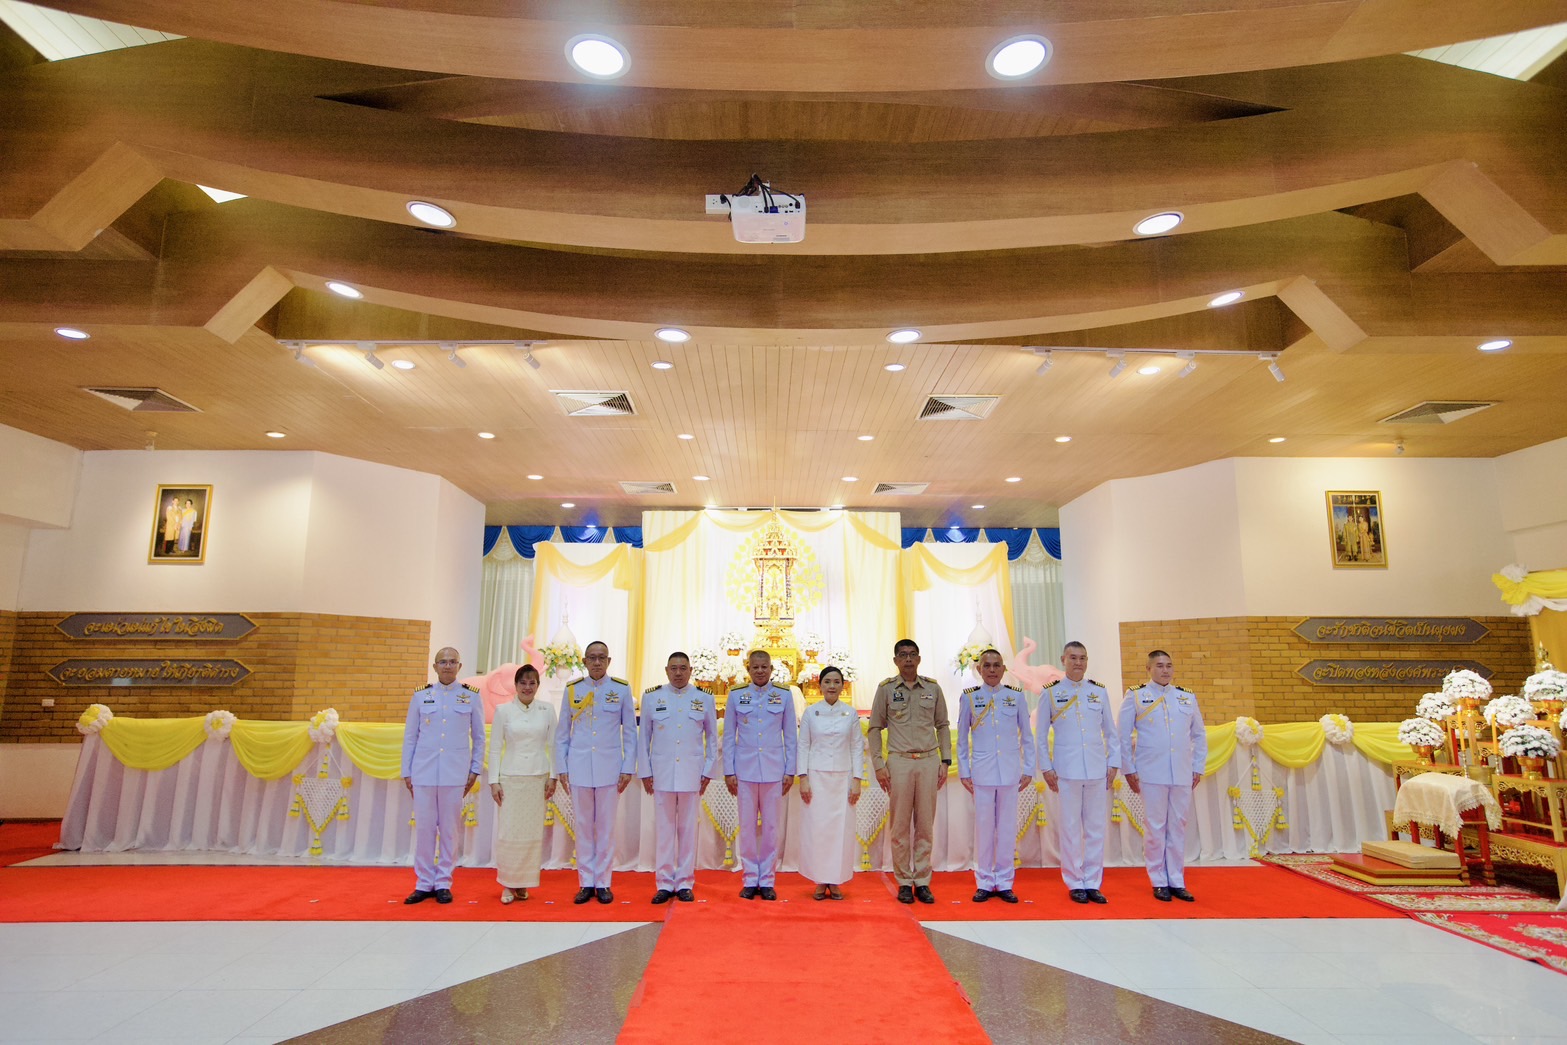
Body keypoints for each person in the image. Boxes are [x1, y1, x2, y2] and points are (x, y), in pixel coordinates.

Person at [1119, 649, 1207, 902]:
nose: (1165, 670)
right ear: (1148, 669)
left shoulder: (1186, 697)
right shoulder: (1136, 695)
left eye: (1169, 665)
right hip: (1151, 771)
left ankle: (1177, 880)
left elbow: (1199, 735)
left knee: (1178, 826)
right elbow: (1122, 735)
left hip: (1181, 771)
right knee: (1156, 827)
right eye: (1159, 666)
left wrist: (1197, 766)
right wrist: (1129, 768)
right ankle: (1158, 880)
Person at [867, 638, 950, 905]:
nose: (908, 660)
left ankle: (922, 880)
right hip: (899, 762)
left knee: (925, 825)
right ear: (895, 660)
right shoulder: (886, 689)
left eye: (913, 654)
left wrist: (945, 761)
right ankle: (904, 880)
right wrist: (879, 764)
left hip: (928, 761)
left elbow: (943, 725)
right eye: (903, 655)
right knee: (900, 825)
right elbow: (874, 728)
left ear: (919, 658)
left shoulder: (933, 688)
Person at [401, 647, 486, 904]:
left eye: (452, 662)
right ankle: (424, 882)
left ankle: (443, 882)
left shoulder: (471, 696)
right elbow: (410, 736)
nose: (447, 666)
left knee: (449, 830)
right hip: (424, 772)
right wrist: (407, 771)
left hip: (454, 772)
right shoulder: (421, 696)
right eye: (442, 662)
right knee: (425, 829)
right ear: (435, 666)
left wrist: (475, 769)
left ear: (460, 666)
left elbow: (479, 737)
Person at [1036, 641, 1119, 904]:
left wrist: (1113, 763)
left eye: (1082, 658)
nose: (1078, 662)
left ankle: (1093, 882)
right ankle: (1074, 881)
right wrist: (1046, 767)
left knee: (1095, 829)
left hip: (1096, 768)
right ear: (1063, 660)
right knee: (1070, 829)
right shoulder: (1051, 693)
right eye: (1073, 657)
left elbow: (1111, 732)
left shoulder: (1098, 692)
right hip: (1067, 770)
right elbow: (1041, 735)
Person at [554, 640, 636, 904]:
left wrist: (627, 767)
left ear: (609, 661)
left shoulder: (621, 689)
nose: (597, 662)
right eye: (592, 657)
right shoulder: (572, 689)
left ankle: (603, 882)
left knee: (606, 828)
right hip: (579, 768)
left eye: (602, 657)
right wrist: (562, 767)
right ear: (585, 661)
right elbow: (562, 734)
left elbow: (630, 733)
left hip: (609, 769)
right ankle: (586, 882)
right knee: (583, 827)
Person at [638, 651, 718, 904]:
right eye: (673, 668)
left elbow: (712, 738)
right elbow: (644, 738)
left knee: (687, 830)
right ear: (666, 670)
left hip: (692, 774)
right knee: (664, 830)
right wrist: (645, 771)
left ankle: (684, 882)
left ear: (691, 671)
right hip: (661, 773)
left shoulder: (703, 698)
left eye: (683, 668)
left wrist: (708, 770)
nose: (678, 673)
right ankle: (664, 883)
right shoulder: (652, 697)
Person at [956, 648, 1034, 903]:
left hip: (1010, 772)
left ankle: (1005, 881)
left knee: (1007, 829)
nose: (992, 670)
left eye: (996, 665)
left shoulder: (1016, 697)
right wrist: (965, 771)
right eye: (987, 665)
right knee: (984, 829)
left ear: (1003, 669)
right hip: (982, 773)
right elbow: (962, 739)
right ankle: (984, 881)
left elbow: (1027, 736)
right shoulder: (969, 698)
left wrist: (1028, 768)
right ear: (979, 669)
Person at [723, 649, 797, 900]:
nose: (760, 671)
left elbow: (791, 736)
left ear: (771, 669)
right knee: (746, 827)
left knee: (771, 828)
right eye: (755, 667)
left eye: (764, 667)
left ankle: (766, 879)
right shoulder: (736, 695)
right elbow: (729, 736)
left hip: (774, 771)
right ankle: (749, 878)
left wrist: (790, 770)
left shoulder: (784, 695)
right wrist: (729, 770)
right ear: (748, 669)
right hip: (744, 771)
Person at [797, 665, 867, 900]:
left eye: (836, 682)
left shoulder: (850, 713)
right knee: (818, 830)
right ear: (820, 685)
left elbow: (856, 746)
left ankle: (836, 881)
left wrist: (857, 779)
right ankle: (819, 880)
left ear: (842, 686)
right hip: (816, 778)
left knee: (840, 831)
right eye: (827, 682)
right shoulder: (810, 712)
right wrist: (803, 778)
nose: (832, 686)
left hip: (843, 778)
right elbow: (803, 745)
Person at [488, 663, 556, 903]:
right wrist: (493, 781)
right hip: (510, 778)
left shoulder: (547, 710)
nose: (527, 687)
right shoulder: (503, 711)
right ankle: (508, 883)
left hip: (537, 778)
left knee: (531, 834)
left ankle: (523, 883)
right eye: (523, 683)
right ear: (515, 685)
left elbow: (553, 746)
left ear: (538, 685)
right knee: (509, 833)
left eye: (532, 683)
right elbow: (495, 748)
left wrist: (553, 776)